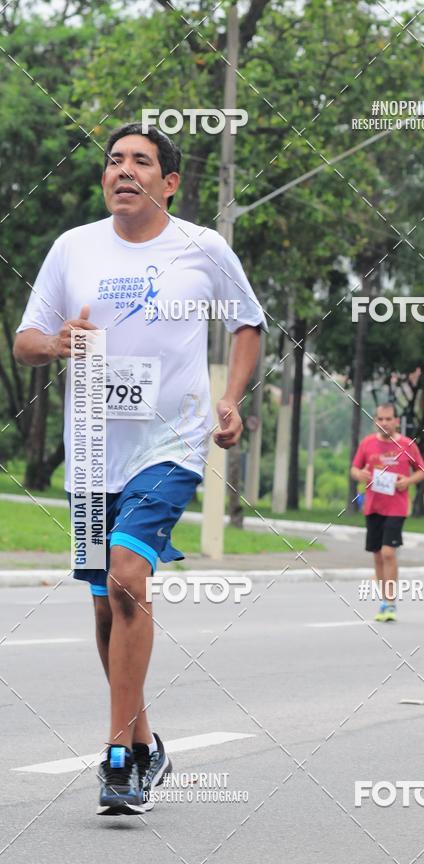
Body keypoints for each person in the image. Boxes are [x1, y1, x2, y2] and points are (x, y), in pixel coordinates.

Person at [13, 122, 267, 815]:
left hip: (172, 444)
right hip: (93, 452)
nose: (124, 170)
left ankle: (119, 755)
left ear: (170, 182)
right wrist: (58, 342)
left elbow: (247, 322)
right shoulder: (74, 248)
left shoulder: (201, 248)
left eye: (141, 161)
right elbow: (26, 340)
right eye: (114, 160)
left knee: (128, 575)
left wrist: (231, 399)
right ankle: (148, 740)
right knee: (105, 602)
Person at [350, 403, 424, 622]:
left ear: (396, 421)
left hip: (397, 506)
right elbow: (354, 469)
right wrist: (361, 475)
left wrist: (408, 481)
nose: (384, 423)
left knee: (388, 553)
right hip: (373, 506)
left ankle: (391, 603)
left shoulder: (406, 444)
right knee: (377, 555)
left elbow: (422, 471)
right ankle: (384, 601)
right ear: (375, 420)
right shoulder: (367, 444)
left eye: (389, 419)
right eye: (380, 419)